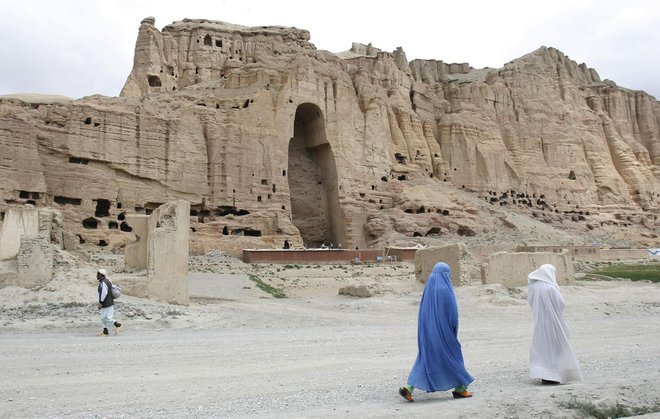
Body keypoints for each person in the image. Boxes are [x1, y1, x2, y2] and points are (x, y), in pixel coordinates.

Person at [399, 262, 474, 402]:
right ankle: (460, 389)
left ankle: (408, 388)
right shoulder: (444, 288)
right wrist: (453, 329)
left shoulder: (429, 287)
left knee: (425, 359)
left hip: (427, 331)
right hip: (444, 333)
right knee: (453, 357)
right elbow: (452, 313)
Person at [527, 264, 582, 384]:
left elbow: (530, 301)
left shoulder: (533, 286)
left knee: (542, 348)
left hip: (540, 322)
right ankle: (555, 375)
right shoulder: (551, 288)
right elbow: (560, 303)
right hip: (553, 322)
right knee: (555, 347)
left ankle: (544, 375)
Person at [97, 269, 121, 336]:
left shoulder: (103, 282)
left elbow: (104, 293)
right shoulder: (107, 281)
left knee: (105, 318)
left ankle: (117, 324)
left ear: (101, 275)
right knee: (104, 317)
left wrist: (100, 302)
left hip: (107, 303)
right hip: (109, 302)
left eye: (97, 274)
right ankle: (105, 331)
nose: (96, 276)